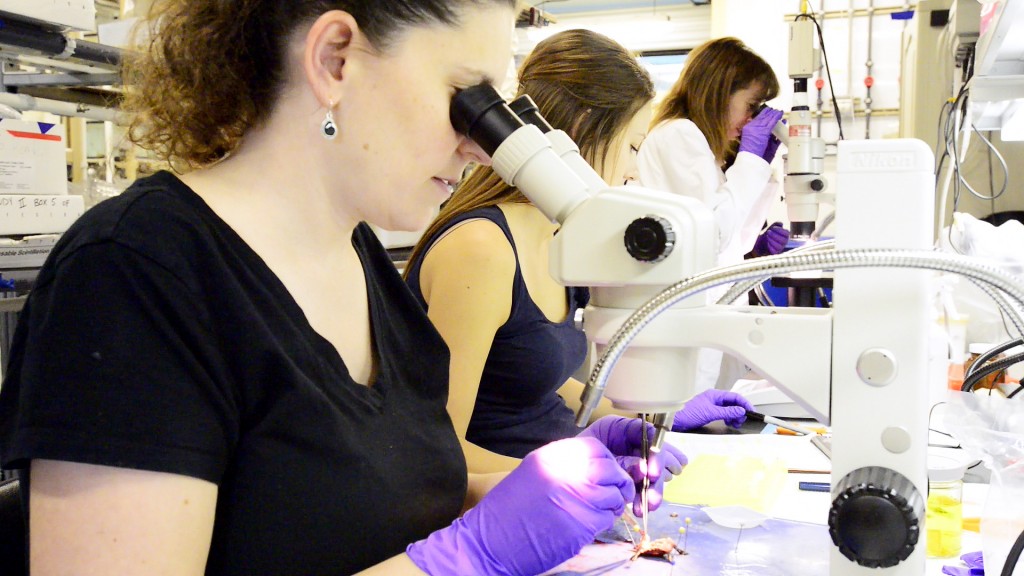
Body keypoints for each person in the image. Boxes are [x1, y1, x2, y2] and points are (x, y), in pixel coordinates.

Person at [0, 3, 686, 575]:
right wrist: (468, 556)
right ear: (336, 60)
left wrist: (539, 491)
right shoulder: (134, 276)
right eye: (467, 101)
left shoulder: (358, 259)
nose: (481, 147)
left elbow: (359, 501)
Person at [403, 29, 755, 474]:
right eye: (631, 146)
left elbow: (528, 381)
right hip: (501, 510)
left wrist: (632, 416)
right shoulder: (482, 249)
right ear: (580, 130)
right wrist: (565, 479)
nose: (632, 169)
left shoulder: (560, 240)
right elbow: (435, 452)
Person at [636, 36, 786, 394]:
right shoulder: (679, 134)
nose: (752, 117)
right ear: (719, 91)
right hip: (677, 325)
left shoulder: (706, 151)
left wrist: (756, 240)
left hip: (701, 322)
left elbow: (730, 238)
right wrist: (750, 162)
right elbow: (712, 234)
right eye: (750, 104)